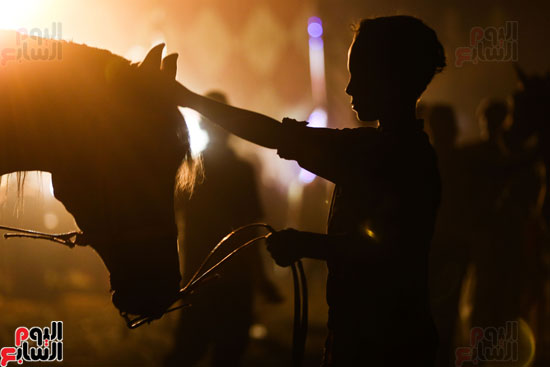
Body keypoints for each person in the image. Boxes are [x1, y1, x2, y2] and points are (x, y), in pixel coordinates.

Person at [176, 15, 446, 366]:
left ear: (391, 79)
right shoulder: (392, 151)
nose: (350, 89)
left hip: (381, 347)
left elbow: (383, 248)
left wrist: (305, 244)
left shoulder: (384, 155)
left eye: (360, 74)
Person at [165, 91, 282, 367]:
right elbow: (249, 230)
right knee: (228, 354)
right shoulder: (240, 171)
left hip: (199, 277)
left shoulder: (189, 168)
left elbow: (172, 222)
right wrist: (261, 280)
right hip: (235, 279)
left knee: (187, 351)